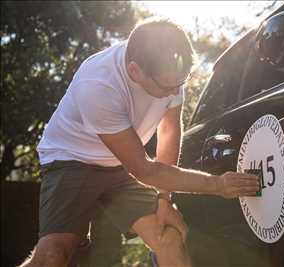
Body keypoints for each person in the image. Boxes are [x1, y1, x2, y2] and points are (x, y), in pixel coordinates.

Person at [20, 17, 259, 267]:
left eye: (181, 82)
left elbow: (168, 131)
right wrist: (217, 185)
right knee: (53, 256)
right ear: (135, 70)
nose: (174, 92)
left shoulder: (170, 69)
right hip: (72, 160)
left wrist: (165, 199)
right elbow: (144, 170)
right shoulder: (98, 86)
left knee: (170, 236)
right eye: (167, 85)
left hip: (123, 167)